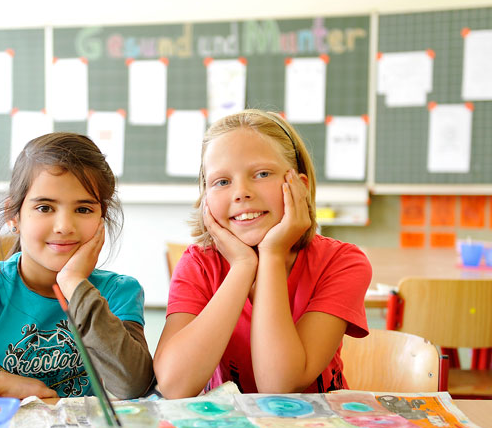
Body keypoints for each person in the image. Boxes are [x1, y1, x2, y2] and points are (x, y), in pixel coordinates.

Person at [0, 133, 154, 400]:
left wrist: (73, 283)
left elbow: (134, 386)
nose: (64, 227)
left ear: (101, 217)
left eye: (83, 209)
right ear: (14, 216)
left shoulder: (118, 293)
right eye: (45, 207)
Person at [154, 110, 371, 399]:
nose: (241, 192)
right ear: (205, 196)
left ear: (300, 186)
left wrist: (271, 254)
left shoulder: (342, 263)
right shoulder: (198, 264)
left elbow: (279, 386)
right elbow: (173, 385)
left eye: (262, 174)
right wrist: (243, 266)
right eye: (221, 182)